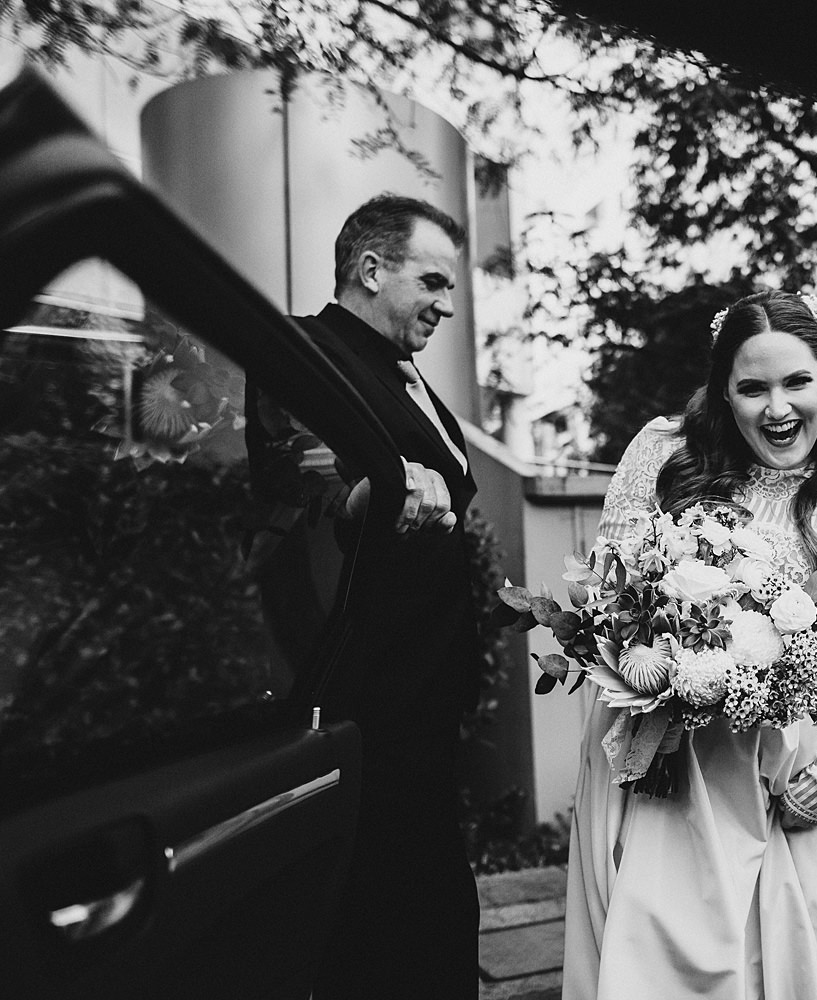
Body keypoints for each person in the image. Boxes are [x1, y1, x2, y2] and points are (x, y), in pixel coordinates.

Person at [563, 289, 817, 999]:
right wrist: (659, 683)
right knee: (664, 948)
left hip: (798, 748)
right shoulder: (665, 450)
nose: (778, 407)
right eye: (752, 387)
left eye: (797, 381)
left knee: (801, 952)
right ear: (724, 392)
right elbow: (608, 591)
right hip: (666, 750)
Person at [292, 194, 482, 999]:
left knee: (435, 919)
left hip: (427, 710)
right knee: (379, 935)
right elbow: (304, 484)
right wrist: (374, 495)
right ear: (371, 269)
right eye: (434, 281)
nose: (447, 304)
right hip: (366, 704)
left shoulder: (411, 377)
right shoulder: (305, 353)